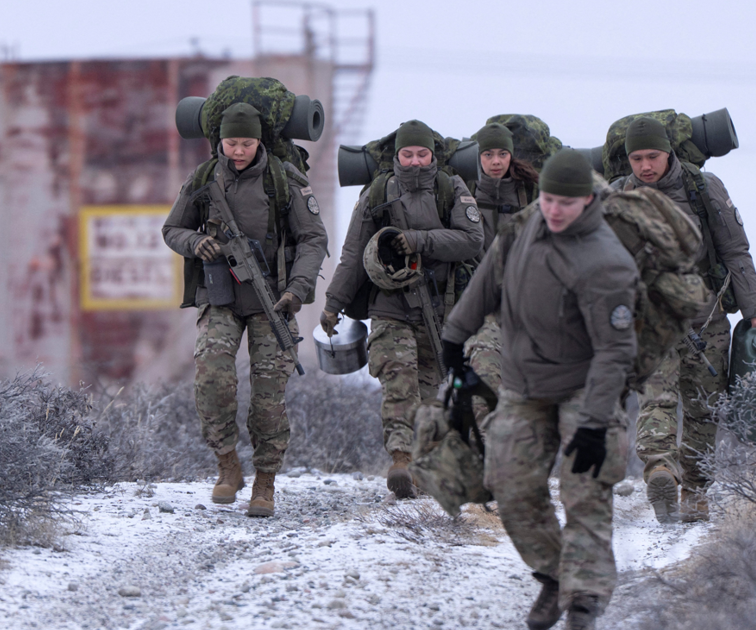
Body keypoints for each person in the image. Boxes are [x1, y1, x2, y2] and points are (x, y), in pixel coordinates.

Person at [442, 149, 639, 630]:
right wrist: (453, 336)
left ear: (588, 201)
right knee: (508, 484)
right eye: (548, 199)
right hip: (524, 384)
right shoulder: (529, 222)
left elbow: (615, 353)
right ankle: (554, 576)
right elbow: (488, 277)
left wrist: (594, 424)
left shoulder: (606, 264)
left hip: (584, 389)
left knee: (585, 491)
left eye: (564, 204)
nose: (552, 210)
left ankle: (585, 601)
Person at [162, 102, 328, 518]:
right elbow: (172, 228)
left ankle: (265, 483)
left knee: (268, 401)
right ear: (219, 141)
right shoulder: (203, 178)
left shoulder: (284, 179)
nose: (239, 151)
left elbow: (313, 239)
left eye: (247, 143)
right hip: (220, 296)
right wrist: (194, 243)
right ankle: (227, 464)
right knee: (212, 378)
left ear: (260, 141)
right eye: (232, 143)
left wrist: (298, 289)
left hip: (273, 299)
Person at [614, 116, 756, 523]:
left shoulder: (703, 188)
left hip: (706, 315)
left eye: (653, 156)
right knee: (657, 399)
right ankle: (661, 471)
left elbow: (735, 250)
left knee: (704, 406)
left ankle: (696, 488)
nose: (645, 166)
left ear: (669, 152)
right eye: (637, 158)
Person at [321, 119, 483, 499]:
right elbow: (352, 253)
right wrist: (333, 305)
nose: (414, 161)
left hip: (439, 309)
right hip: (389, 305)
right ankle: (400, 459)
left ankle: (423, 467)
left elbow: (472, 241)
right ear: (396, 156)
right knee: (398, 378)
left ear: (432, 155)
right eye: (407, 154)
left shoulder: (451, 187)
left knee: (428, 391)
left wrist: (417, 240)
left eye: (421, 154)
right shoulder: (377, 192)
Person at [461, 122, 542, 421]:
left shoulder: (532, 190)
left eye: (502, 154)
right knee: (485, 376)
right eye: (488, 154)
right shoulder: (463, 188)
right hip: (478, 305)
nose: (496, 162)